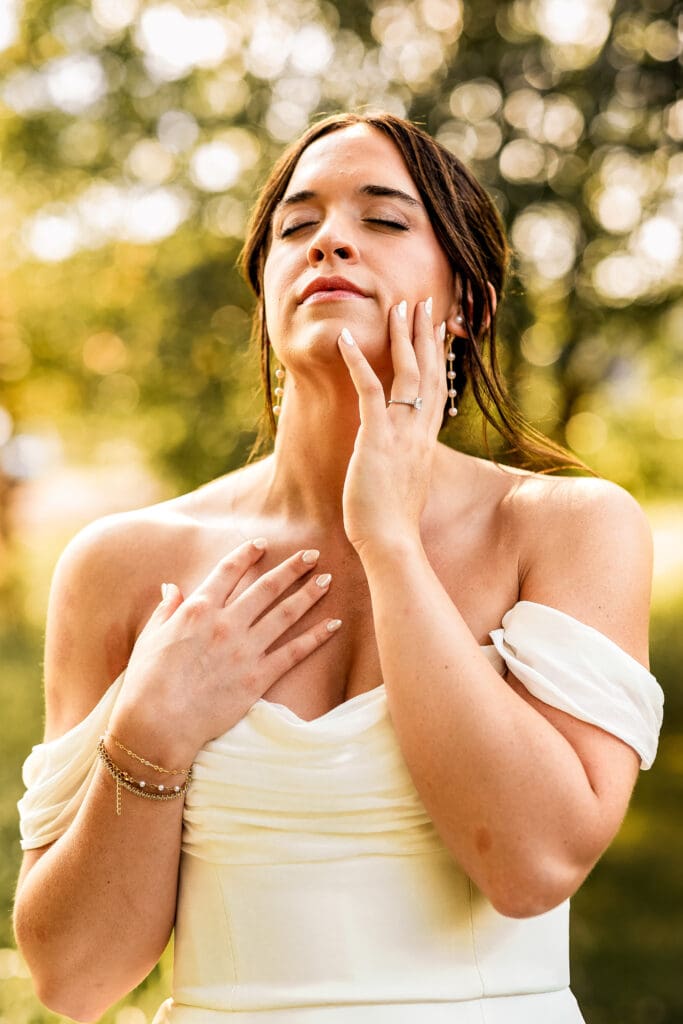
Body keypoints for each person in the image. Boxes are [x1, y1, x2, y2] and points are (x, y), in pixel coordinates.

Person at [14, 112, 663, 1024]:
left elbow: (531, 868)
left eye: (384, 221)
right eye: (296, 225)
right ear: (268, 292)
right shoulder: (122, 565)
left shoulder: (563, 530)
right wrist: (150, 733)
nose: (329, 241)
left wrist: (389, 544)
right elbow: (73, 981)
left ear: (467, 303)